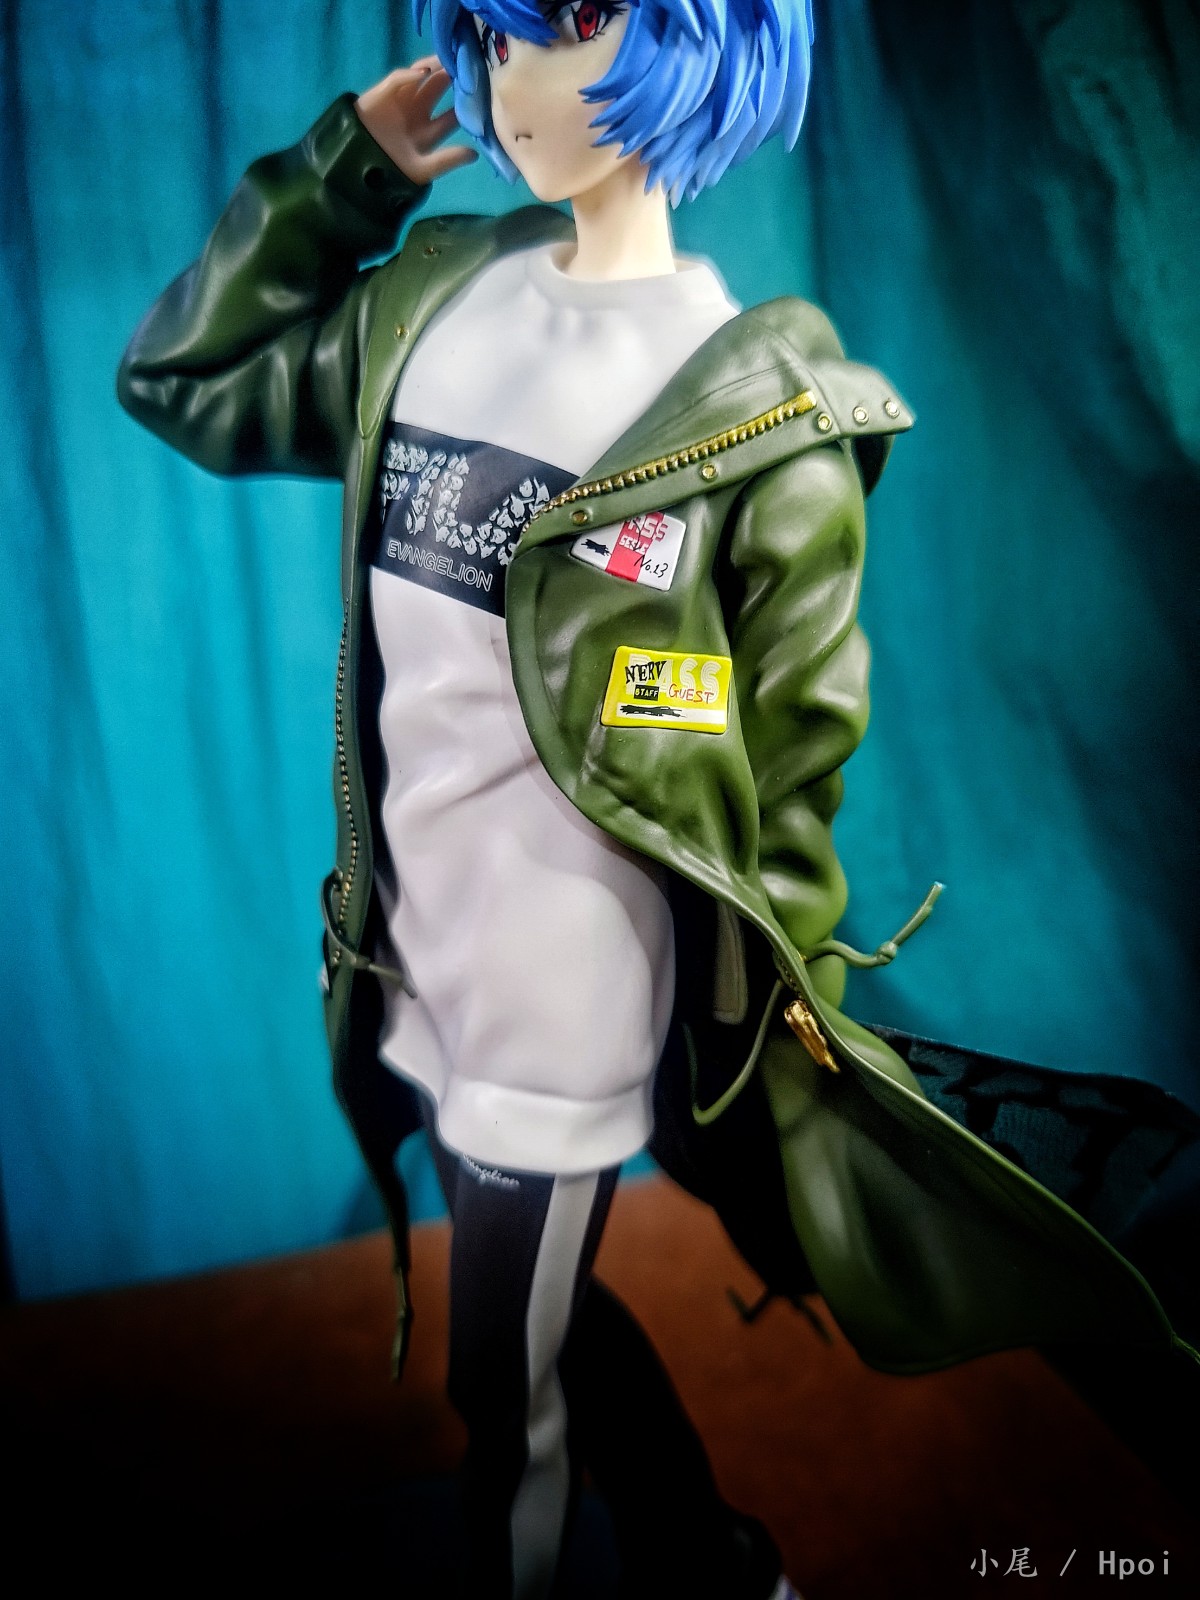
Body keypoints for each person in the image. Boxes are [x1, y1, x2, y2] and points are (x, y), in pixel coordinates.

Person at [117, 1, 1187, 1594]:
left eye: (567, 23)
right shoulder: (431, 302)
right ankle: (713, 1557)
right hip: (411, 950)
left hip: (569, 994)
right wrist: (346, 175)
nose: (510, 78)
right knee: (534, 1325)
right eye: (489, 32)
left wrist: (783, 1045)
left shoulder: (755, 417)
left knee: (507, 1390)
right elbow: (182, 375)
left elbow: (793, 773)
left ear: (704, 43)